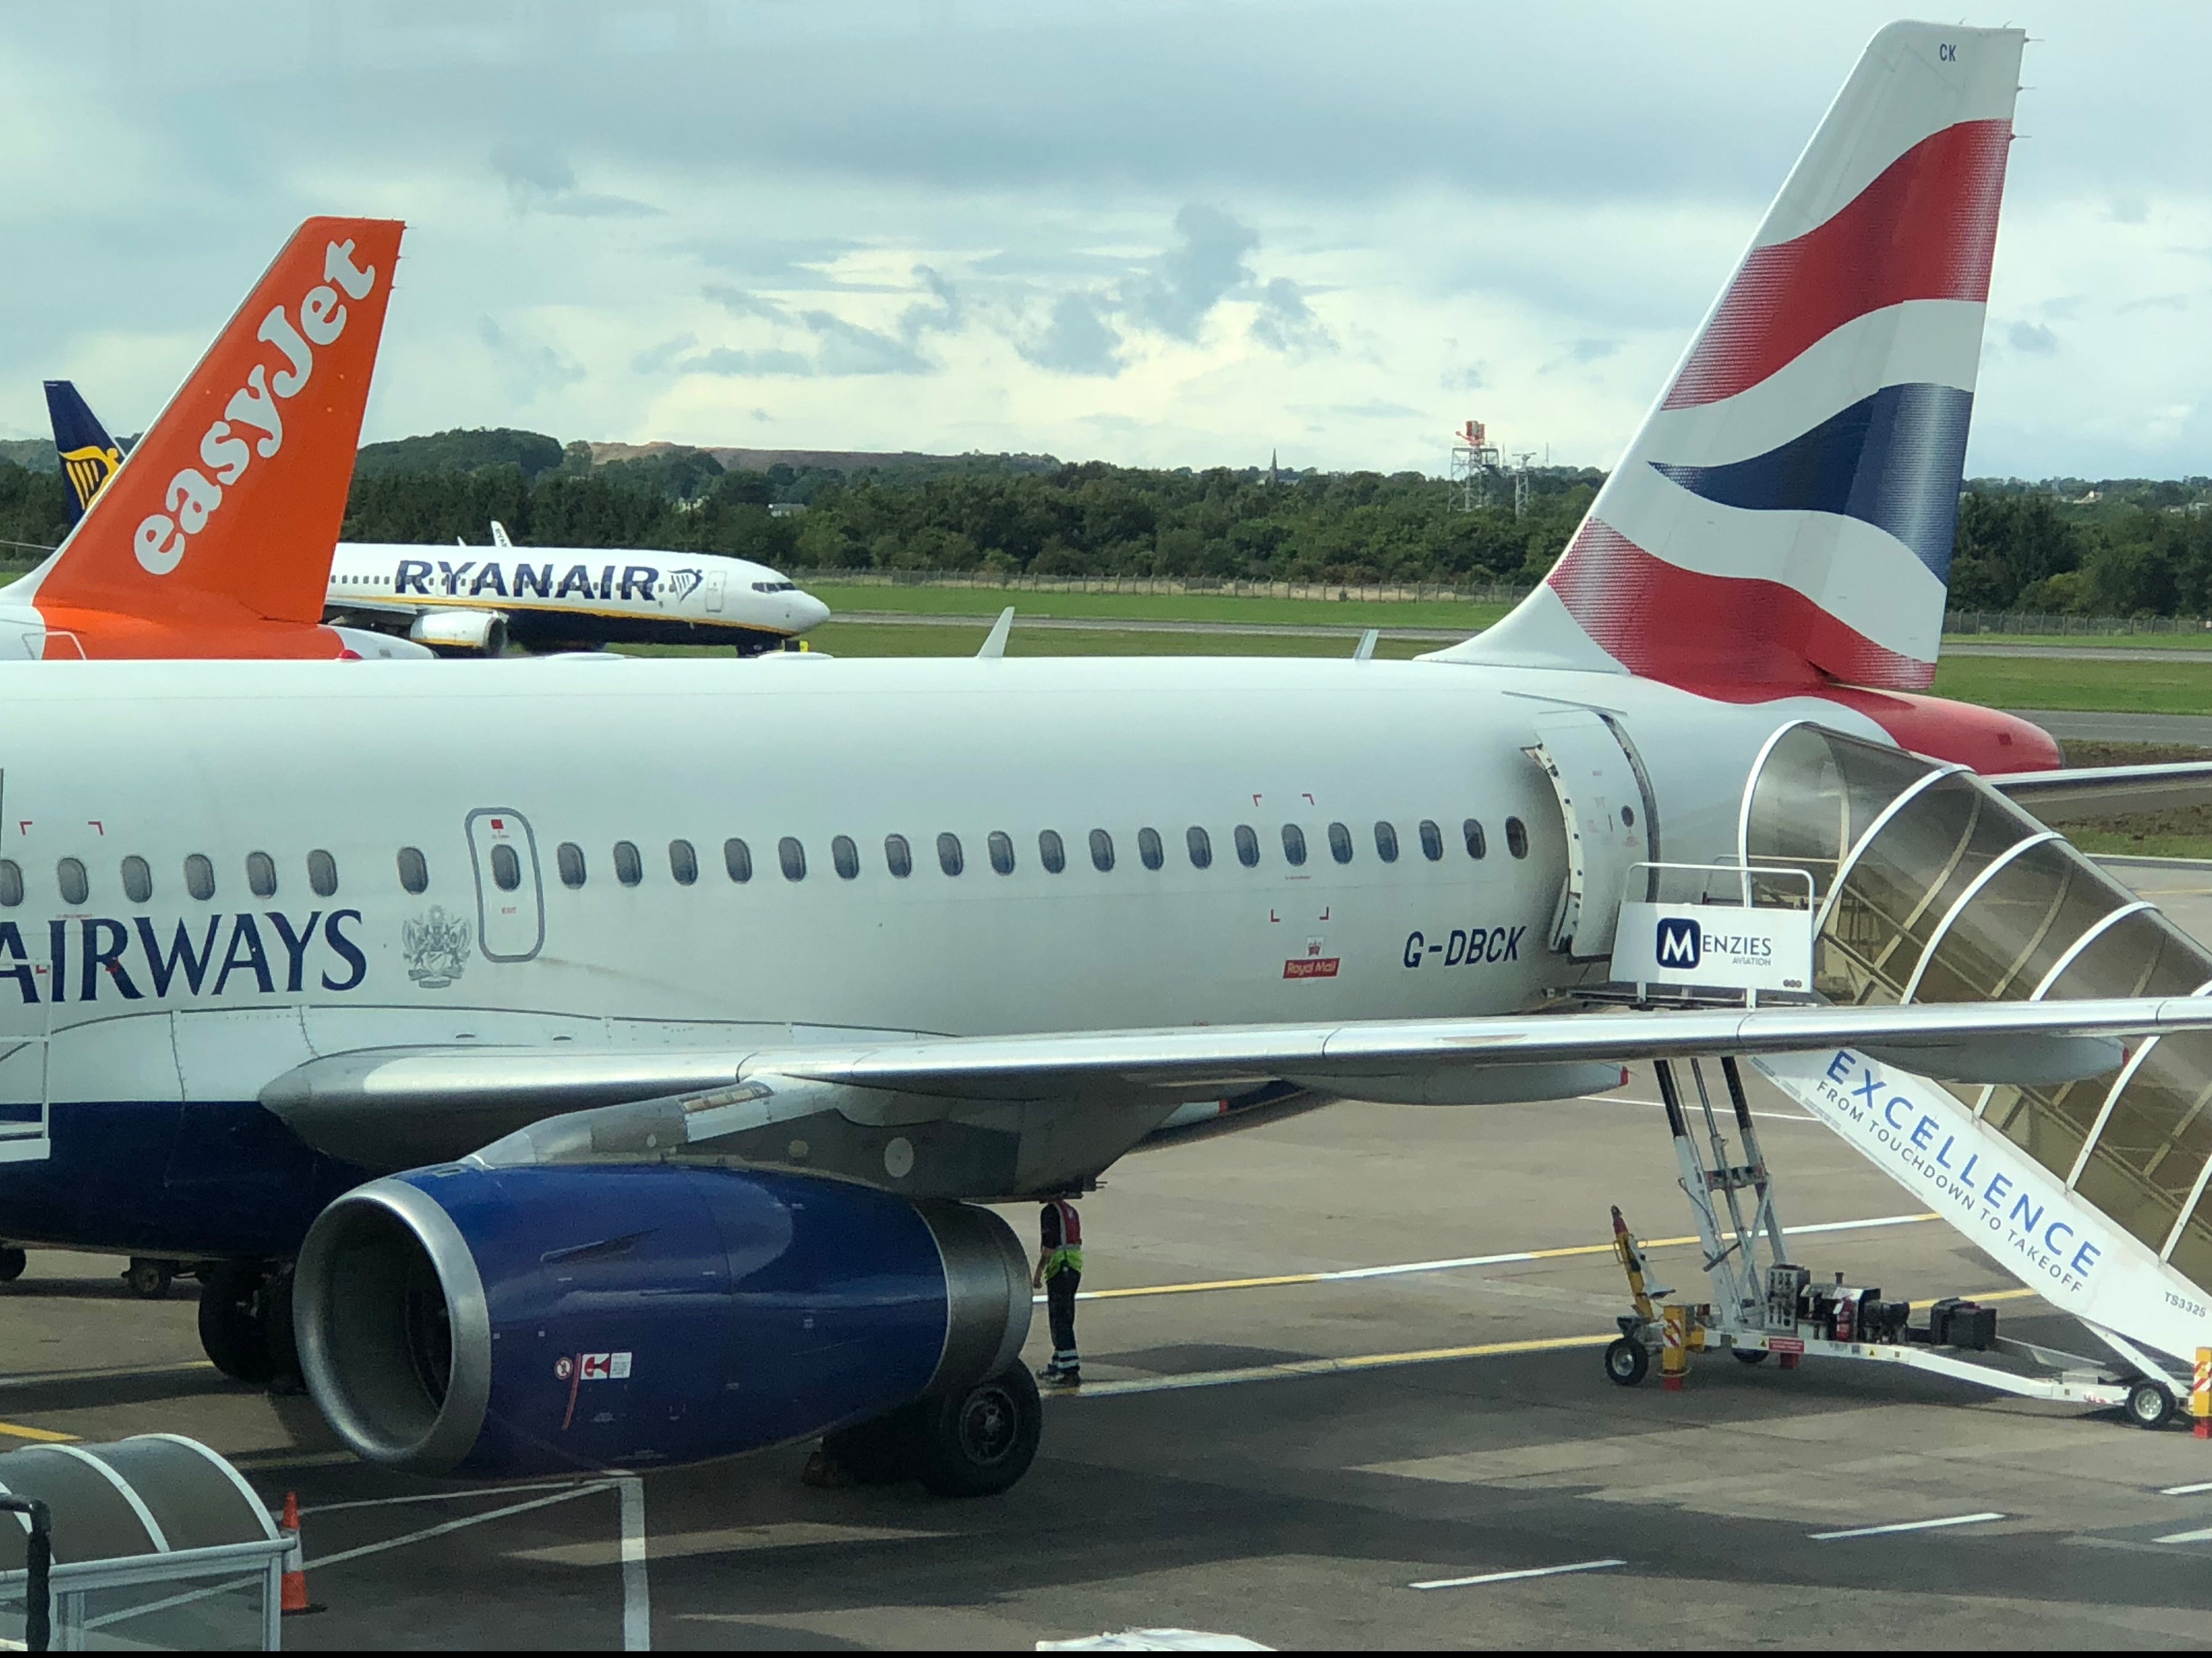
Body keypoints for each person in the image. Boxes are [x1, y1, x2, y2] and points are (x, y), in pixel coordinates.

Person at [1033, 1196, 1083, 1387]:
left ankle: (1070, 1371)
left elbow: (1049, 1247)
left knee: (1059, 1319)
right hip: (1074, 1268)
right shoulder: (1070, 1211)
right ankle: (1059, 1362)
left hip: (1060, 1268)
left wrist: (1039, 1271)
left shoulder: (1050, 1212)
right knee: (1066, 1316)